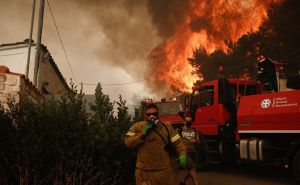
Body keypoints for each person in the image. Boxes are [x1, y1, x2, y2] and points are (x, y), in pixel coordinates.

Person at [124, 103, 187, 185]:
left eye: (154, 114)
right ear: (145, 115)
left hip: (164, 171)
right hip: (144, 172)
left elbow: (178, 143)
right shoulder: (137, 126)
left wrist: (182, 154)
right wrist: (142, 134)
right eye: (149, 114)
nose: (152, 116)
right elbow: (127, 142)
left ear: (158, 115)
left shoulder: (167, 127)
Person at [178, 113, 201, 185]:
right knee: (192, 169)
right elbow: (174, 140)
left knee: (190, 169)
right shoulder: (179, 130)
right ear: (184, 121)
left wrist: (196, 140)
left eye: (190, 121)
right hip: (185, 152)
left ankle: (182, 182)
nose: (189, 123)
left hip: (193, 152)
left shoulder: (194, 130)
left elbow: (198, 141)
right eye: (187, 121)